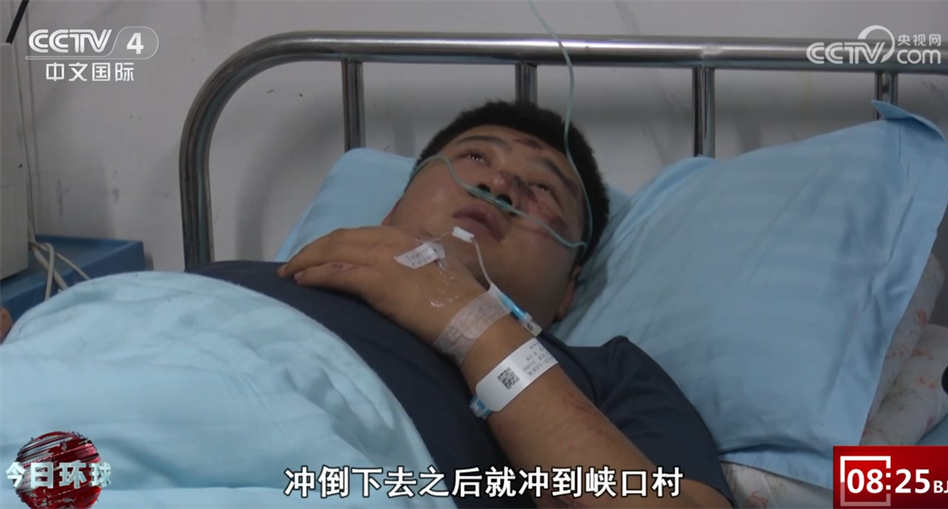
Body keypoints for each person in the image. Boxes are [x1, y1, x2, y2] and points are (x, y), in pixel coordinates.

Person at [189, 100, 735, 509]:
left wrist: (470, 322)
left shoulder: (606, 378)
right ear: (392, 210)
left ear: (570, 286)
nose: (499, 183)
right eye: (474, 156)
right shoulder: (249, 276)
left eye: (544, 189)